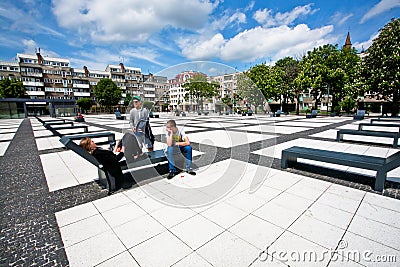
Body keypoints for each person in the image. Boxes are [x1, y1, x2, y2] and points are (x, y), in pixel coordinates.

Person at [79, 133, 143, 190]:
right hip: (120, 161)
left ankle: (138, 152)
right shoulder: (98, 153)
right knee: (130, 137)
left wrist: (115, 147)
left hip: (116, 158)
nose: (93, 142)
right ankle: (138, 153)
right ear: (89, 146)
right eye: (91, 142)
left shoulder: (96, 151)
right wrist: (122, 151)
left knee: (126, 136)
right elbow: (115, 160)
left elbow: (109, 157)